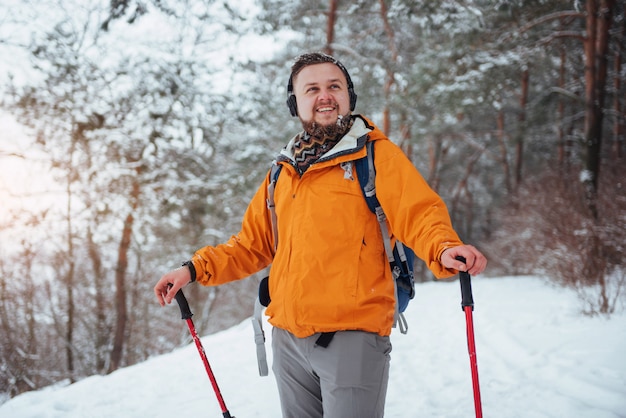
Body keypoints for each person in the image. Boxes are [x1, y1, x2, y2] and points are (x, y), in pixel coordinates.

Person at [154, 52, 487, 418]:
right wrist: (193, 269)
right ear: (295, 103)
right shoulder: (282, 172)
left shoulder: (375, 156)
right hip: (288, 341)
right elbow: (251, 244)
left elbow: (419, 213)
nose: (325, 95)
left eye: (334, 86)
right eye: (311, 89)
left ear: (349, 96)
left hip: (353, 338)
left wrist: (444, 248)